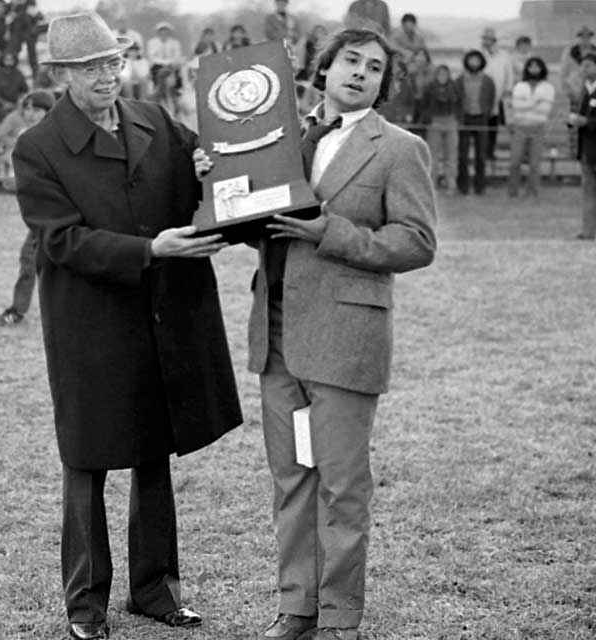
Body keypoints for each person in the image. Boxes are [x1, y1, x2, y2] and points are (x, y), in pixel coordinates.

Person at [196, 27, 436, 640]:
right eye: (350, 61)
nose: (360, 72)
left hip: (345, 337)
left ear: (384, 85)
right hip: (274, 336)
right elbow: (253, 225)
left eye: (375, 67)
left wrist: (329, 233)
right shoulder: (277, 139)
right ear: (322, 69)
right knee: (291, 483)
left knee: (342, 487)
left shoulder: (400, 148)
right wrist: (217, 180)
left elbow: (417, 242)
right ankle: (296, 609)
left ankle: (338, 619)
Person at [12, 12, 242, 640]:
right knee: (86, 459)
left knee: (152, 449)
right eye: (91, 68)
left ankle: (156, 591)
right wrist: (149, 253)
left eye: (113, 62)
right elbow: (62, 241)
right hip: (90, 324)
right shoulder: (37, 146)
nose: (107, 76)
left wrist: (207, 166)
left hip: (161, 314)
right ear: (61, 75)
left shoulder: (154, 120)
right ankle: (86, 605)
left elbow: (208, 155)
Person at [0, 89, 55, 327]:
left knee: (34, 259)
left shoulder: (55, 138)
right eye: (26, 108)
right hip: (41, 213)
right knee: (30, 258)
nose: (29, 114)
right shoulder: (29, 136)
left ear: (48, 112)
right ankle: (18, 309)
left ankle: (18, 310)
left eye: (36, 109)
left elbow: (50, 178)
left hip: (57, 212)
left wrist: (20, 183)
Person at [507, 57, 554, 198]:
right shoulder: (519, 86)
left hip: (539, 128)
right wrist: (535, 103)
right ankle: (513, 191)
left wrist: (526, 104)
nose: (534, 69)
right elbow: (517, 106)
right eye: (531, 66)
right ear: (526, 68)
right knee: (515, 161)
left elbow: (546, 108)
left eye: (537, 66)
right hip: (520, 127)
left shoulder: (548, 87)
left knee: (535, 163)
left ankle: (533, 191)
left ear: (541, 68)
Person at [455, 49, 495, 195]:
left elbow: (491, 100)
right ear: (466, 61)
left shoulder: (488, 80)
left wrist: (486, 114)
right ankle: (463, 186)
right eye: (471, 59)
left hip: (481, 118)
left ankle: (480, 186)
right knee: (463, 154)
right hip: (465, 118)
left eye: (476, 60)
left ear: (481, 62)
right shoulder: (460, 80)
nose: (474, 62)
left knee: (481, 154)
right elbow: (456, 99)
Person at [567, 52, 596, 240]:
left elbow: (589, 120)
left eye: (588, 65)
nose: (584, 69)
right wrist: (572, 120)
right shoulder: (585, 90)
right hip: (587, 150)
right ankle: (588, 231)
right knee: (588, 191)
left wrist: (586, 121)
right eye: (582, 66)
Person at [419, 63, 461, 190]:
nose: (442, 76)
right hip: (435, 122)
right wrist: (429, 119)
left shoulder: (454, 88)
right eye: (440, 74)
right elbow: (424, 105)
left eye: (445, 74)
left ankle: (451, 184)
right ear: (436, 75)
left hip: (451, 122)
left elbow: (460, 104)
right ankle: (432, 185)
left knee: (451, 156)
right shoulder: (429, 88)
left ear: (449, 75)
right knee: (433, 156)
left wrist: (458, 119)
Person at [479, 27, 513, 160]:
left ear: (494, 40)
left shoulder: (504, 55)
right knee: (482, 124)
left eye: (489, 39)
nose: (486, 41)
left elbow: (509, 74)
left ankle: (490, 152)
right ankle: (481, 152)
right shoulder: (478, 54)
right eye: (484, 39)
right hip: (482, 96)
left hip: (499, 95)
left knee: (493, 125)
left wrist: (508, 90)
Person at [0, 51, 29, 120]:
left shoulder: (19, 74)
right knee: (6, 114)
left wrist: (20, 100)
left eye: (11, 59)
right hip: (0, 105)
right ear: (2, 60)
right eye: (7, 60)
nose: (9, 62)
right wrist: (4, 103)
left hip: (16, 104)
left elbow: (24, 89)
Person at [559, 26, 596, 110]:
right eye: (582, 37)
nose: (585, 40)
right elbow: (563, 73)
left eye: (588, 37)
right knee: (576, 117)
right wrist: (567, 91)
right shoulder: (570, 52)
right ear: (578, 38)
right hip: (574, 91)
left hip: (592, 91)